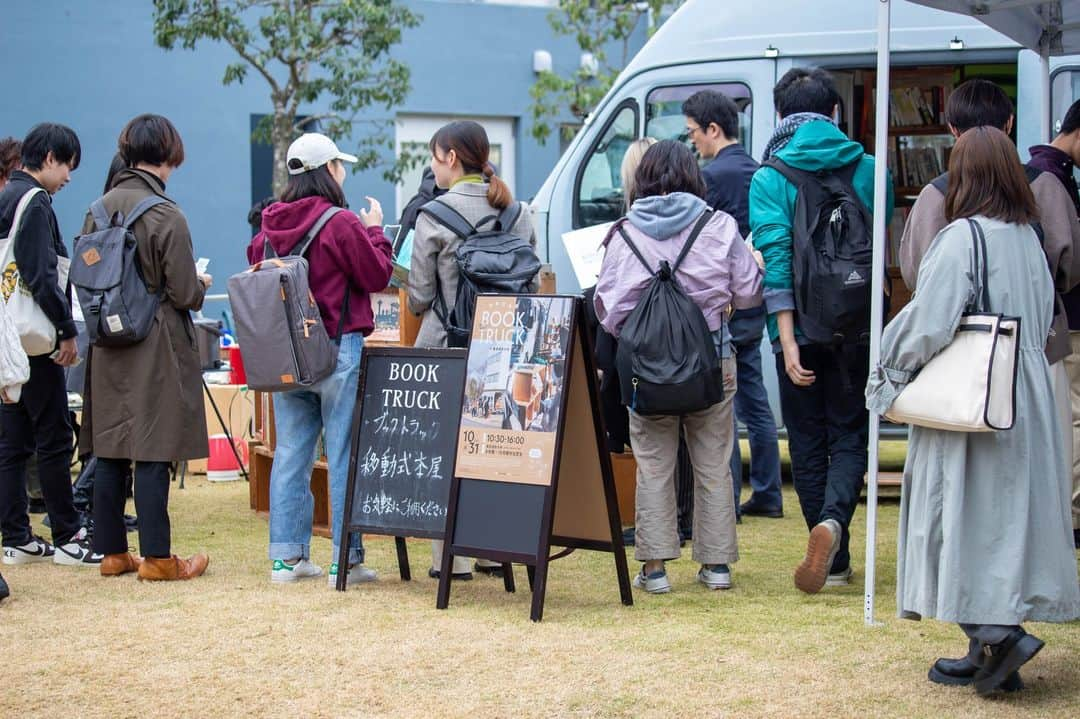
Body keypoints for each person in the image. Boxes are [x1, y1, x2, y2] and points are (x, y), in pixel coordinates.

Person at [866, 126, 1080, 696]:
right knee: (1005, 523)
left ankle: (997, 632)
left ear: (963, 177)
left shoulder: (963, 238)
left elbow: (929, 321)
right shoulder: (1027, 240)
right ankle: (989, 648)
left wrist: (886, 372)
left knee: (955, 517)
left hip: (974, 400)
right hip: (1025, 397)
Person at [898, 79, 1080, 551]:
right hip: (1041, 345)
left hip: (959, 352)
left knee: (963, 465)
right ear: (1011, 123)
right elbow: (1071, 262)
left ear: (951, 129)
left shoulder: (937, 194)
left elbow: (916, 272)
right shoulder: (1044, 184)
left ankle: (969, 552)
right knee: (1039, 458)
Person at [595, 139, 763, 594]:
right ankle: (716, 566)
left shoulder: (624, 232)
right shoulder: (720, 226)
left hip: (645, 368)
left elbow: (608, 310)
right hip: (712, 361)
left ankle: (654, 570)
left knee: (652, 464)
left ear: (642, 181)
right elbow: (748, 293)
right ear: (694, 177)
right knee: (713, 463)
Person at [750, 67, 892, 593]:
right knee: (851, 433)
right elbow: (881, 253)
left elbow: (777, 261)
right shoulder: (873, 170)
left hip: (800, 330)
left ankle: (831, 556)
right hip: (859, 326)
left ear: (781, 116)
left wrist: (785, 341)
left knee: (807, 440)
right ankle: (834, 528)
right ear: (835, 113)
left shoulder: (770, 178)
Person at [248, 132, 393, 586]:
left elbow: (258, 273)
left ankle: (287, 559)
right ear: (327, 170)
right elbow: (376, 274)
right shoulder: (342, 222)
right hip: (337, 346)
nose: (343, 172)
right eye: (339, 165)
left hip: (286, 352)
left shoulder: (268, 226)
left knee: (292, 450)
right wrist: (375, 231)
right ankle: (344, 560)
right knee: (343, 450)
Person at [81, 115, 210, 580]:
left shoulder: (96, 209)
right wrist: (199, 284)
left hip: (106, 341)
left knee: (111, 444)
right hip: (154, 340)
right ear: (169, 154)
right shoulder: (165, 213)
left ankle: (113, 553)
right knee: (154, 446)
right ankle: (158, 558)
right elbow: (182, 292)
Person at [408, 120, 536, 580]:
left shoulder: (433, 216)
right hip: (502, 351)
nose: (431, 165)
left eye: (432, 156)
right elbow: (532, 285)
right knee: (494, 449)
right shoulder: (518, 212)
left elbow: (420, 297)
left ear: (450, 156)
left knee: (446, 451)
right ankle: (492, 549)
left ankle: (450, 558)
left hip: (447, 348)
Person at [683, 89, 783, 519]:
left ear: (713, 129)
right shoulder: (758, 171)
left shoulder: (712, 178)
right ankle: (768, 492)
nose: (693, 143)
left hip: (721, 301)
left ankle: (727, 500)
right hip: (754, 293)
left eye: (694, 133)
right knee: (754, 398)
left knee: (720, 405)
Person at [0, 123, 96, 568]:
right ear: (51, 157)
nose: (69, 177)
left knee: (12, 441)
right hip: (36, 339)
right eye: (68, 166)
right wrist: (66, 330)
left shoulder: (5, 196)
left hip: (7, 337)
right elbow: (41, 275)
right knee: (55, 435)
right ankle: (67, 534)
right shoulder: (35, 202)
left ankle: (16, 535)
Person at [1027, 97, 1080, 549]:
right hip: (1064, 318)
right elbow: (1065, 257)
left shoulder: (1045, 173)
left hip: (1056, 317)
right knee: (1072, 414)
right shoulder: (1052, 179)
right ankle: (1073, 513)